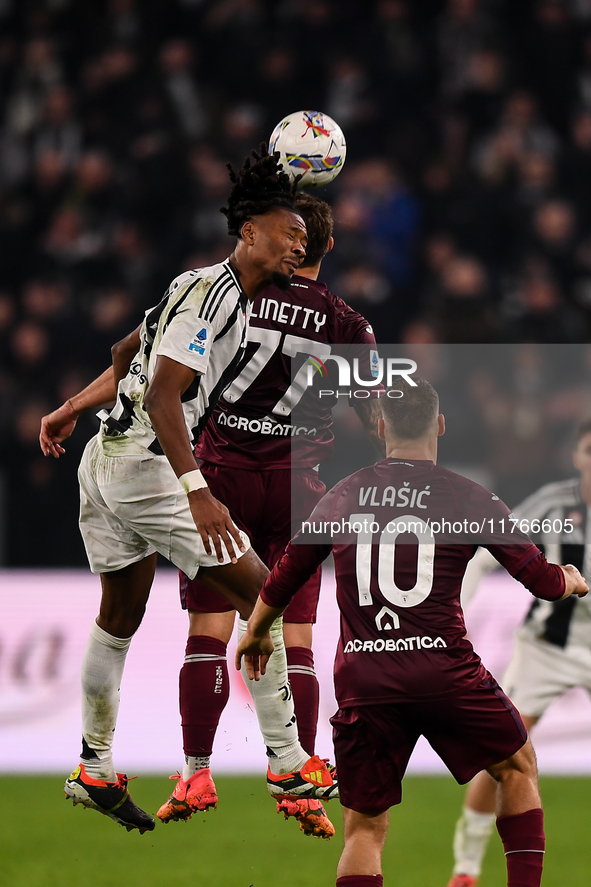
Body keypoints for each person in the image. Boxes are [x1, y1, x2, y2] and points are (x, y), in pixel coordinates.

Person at [38, 146, 337, 833]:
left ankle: (93, 762)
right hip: (150, 469)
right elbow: (168, 395)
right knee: (265, 594)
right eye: (288, 233)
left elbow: (126, 356)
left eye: (303, 237)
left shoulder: (201, 286)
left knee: (119, 616)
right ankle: (290, 759)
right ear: (250, 231)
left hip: (106, 460)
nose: (298, 244)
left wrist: (74, 405)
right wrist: (197, 490)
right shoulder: (214, 294)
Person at [236, 378, 588, 887]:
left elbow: (287, 572)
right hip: (445, 672)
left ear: (379, 427)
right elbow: (540, 578)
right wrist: (570, 582)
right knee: (516, 767)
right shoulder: (469, 496)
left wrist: (255, 630)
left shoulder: (343, 494)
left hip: (365, 679)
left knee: (364, 828)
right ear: (440, 425)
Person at [158, 191, 382, 840]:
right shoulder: (346, 321)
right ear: (327, 247)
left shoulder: (238, 292)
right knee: (295, 637)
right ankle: (299, 782)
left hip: (219, 478)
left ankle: (196, 770)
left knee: (208, 629)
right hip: (297, 489)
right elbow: (375, 414)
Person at [446, 417, 591, 887]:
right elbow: (487, 548)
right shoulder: (552, 504)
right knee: (507, 749)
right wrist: (457, 611)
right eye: (590, 451)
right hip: (547, 647)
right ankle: (466, 868)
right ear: (577, 456)